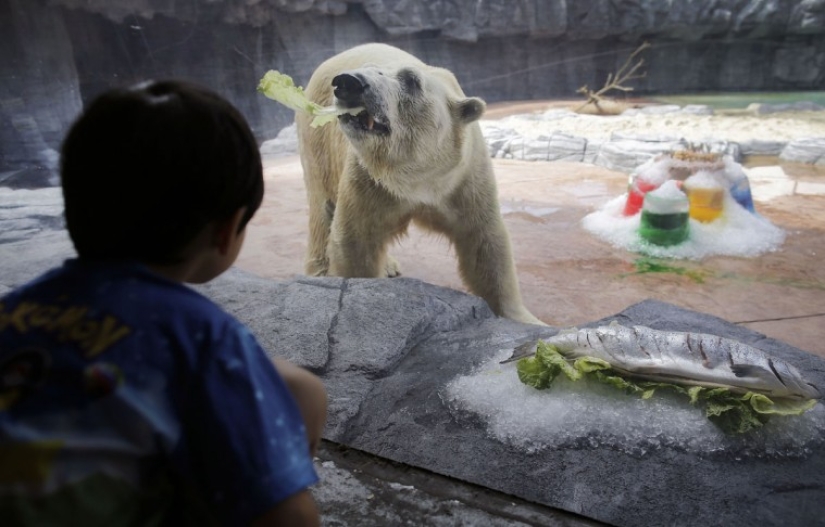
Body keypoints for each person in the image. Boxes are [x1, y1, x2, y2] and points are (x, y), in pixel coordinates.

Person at [0, 80, 327, 526]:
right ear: (228, 230)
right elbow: (289, 520)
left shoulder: (14, 310)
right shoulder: (203, 338)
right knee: (301, 392)